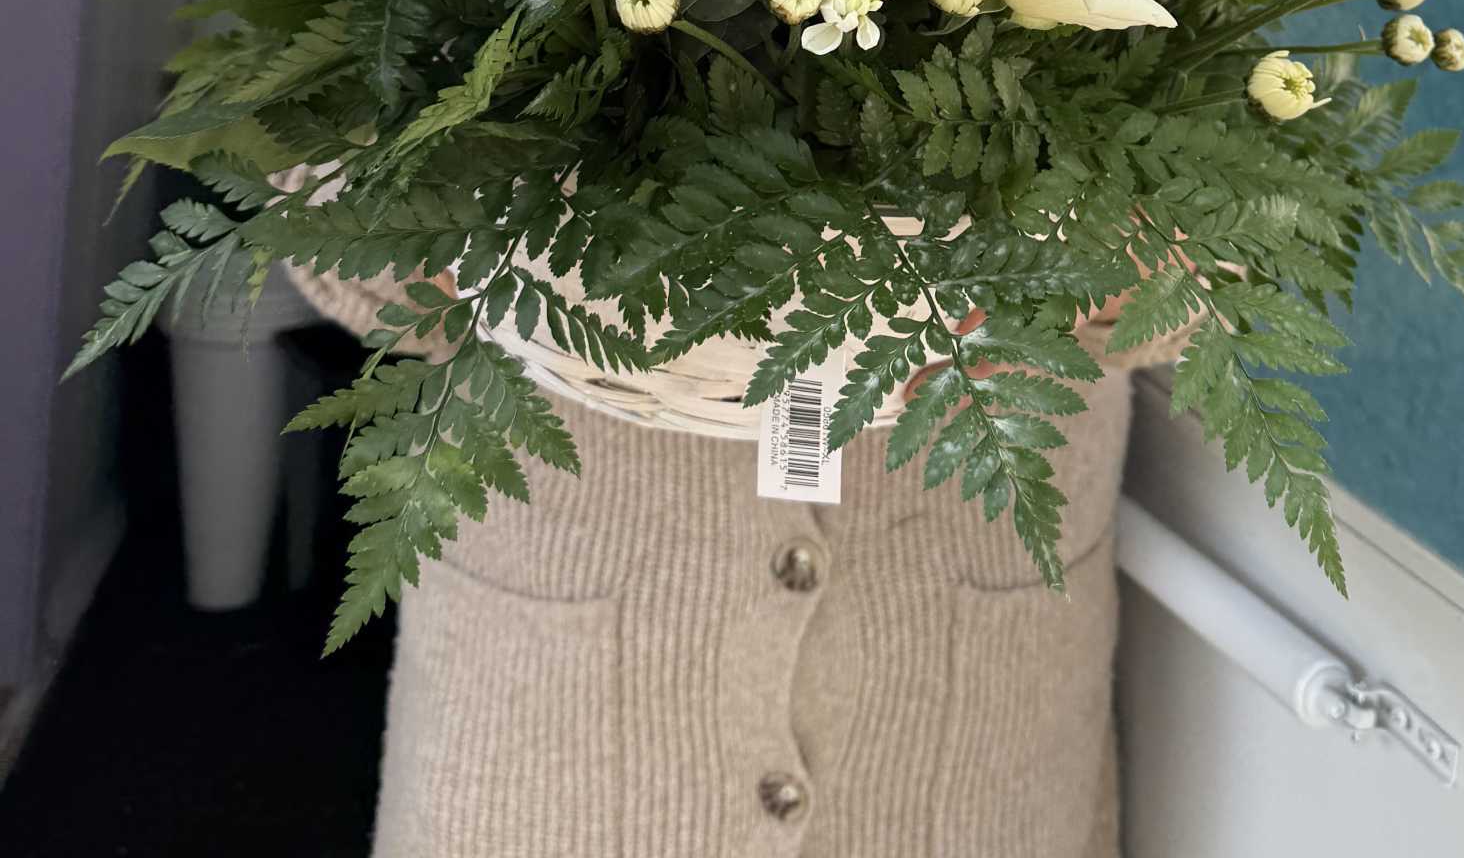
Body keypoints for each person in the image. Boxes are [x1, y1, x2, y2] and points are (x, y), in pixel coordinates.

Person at [289, 259, 1189, 858]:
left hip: (962, 721)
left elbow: (1242, 221)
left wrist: (1060, 288)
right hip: (563, 715)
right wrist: (554, 265)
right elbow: (314, 193)